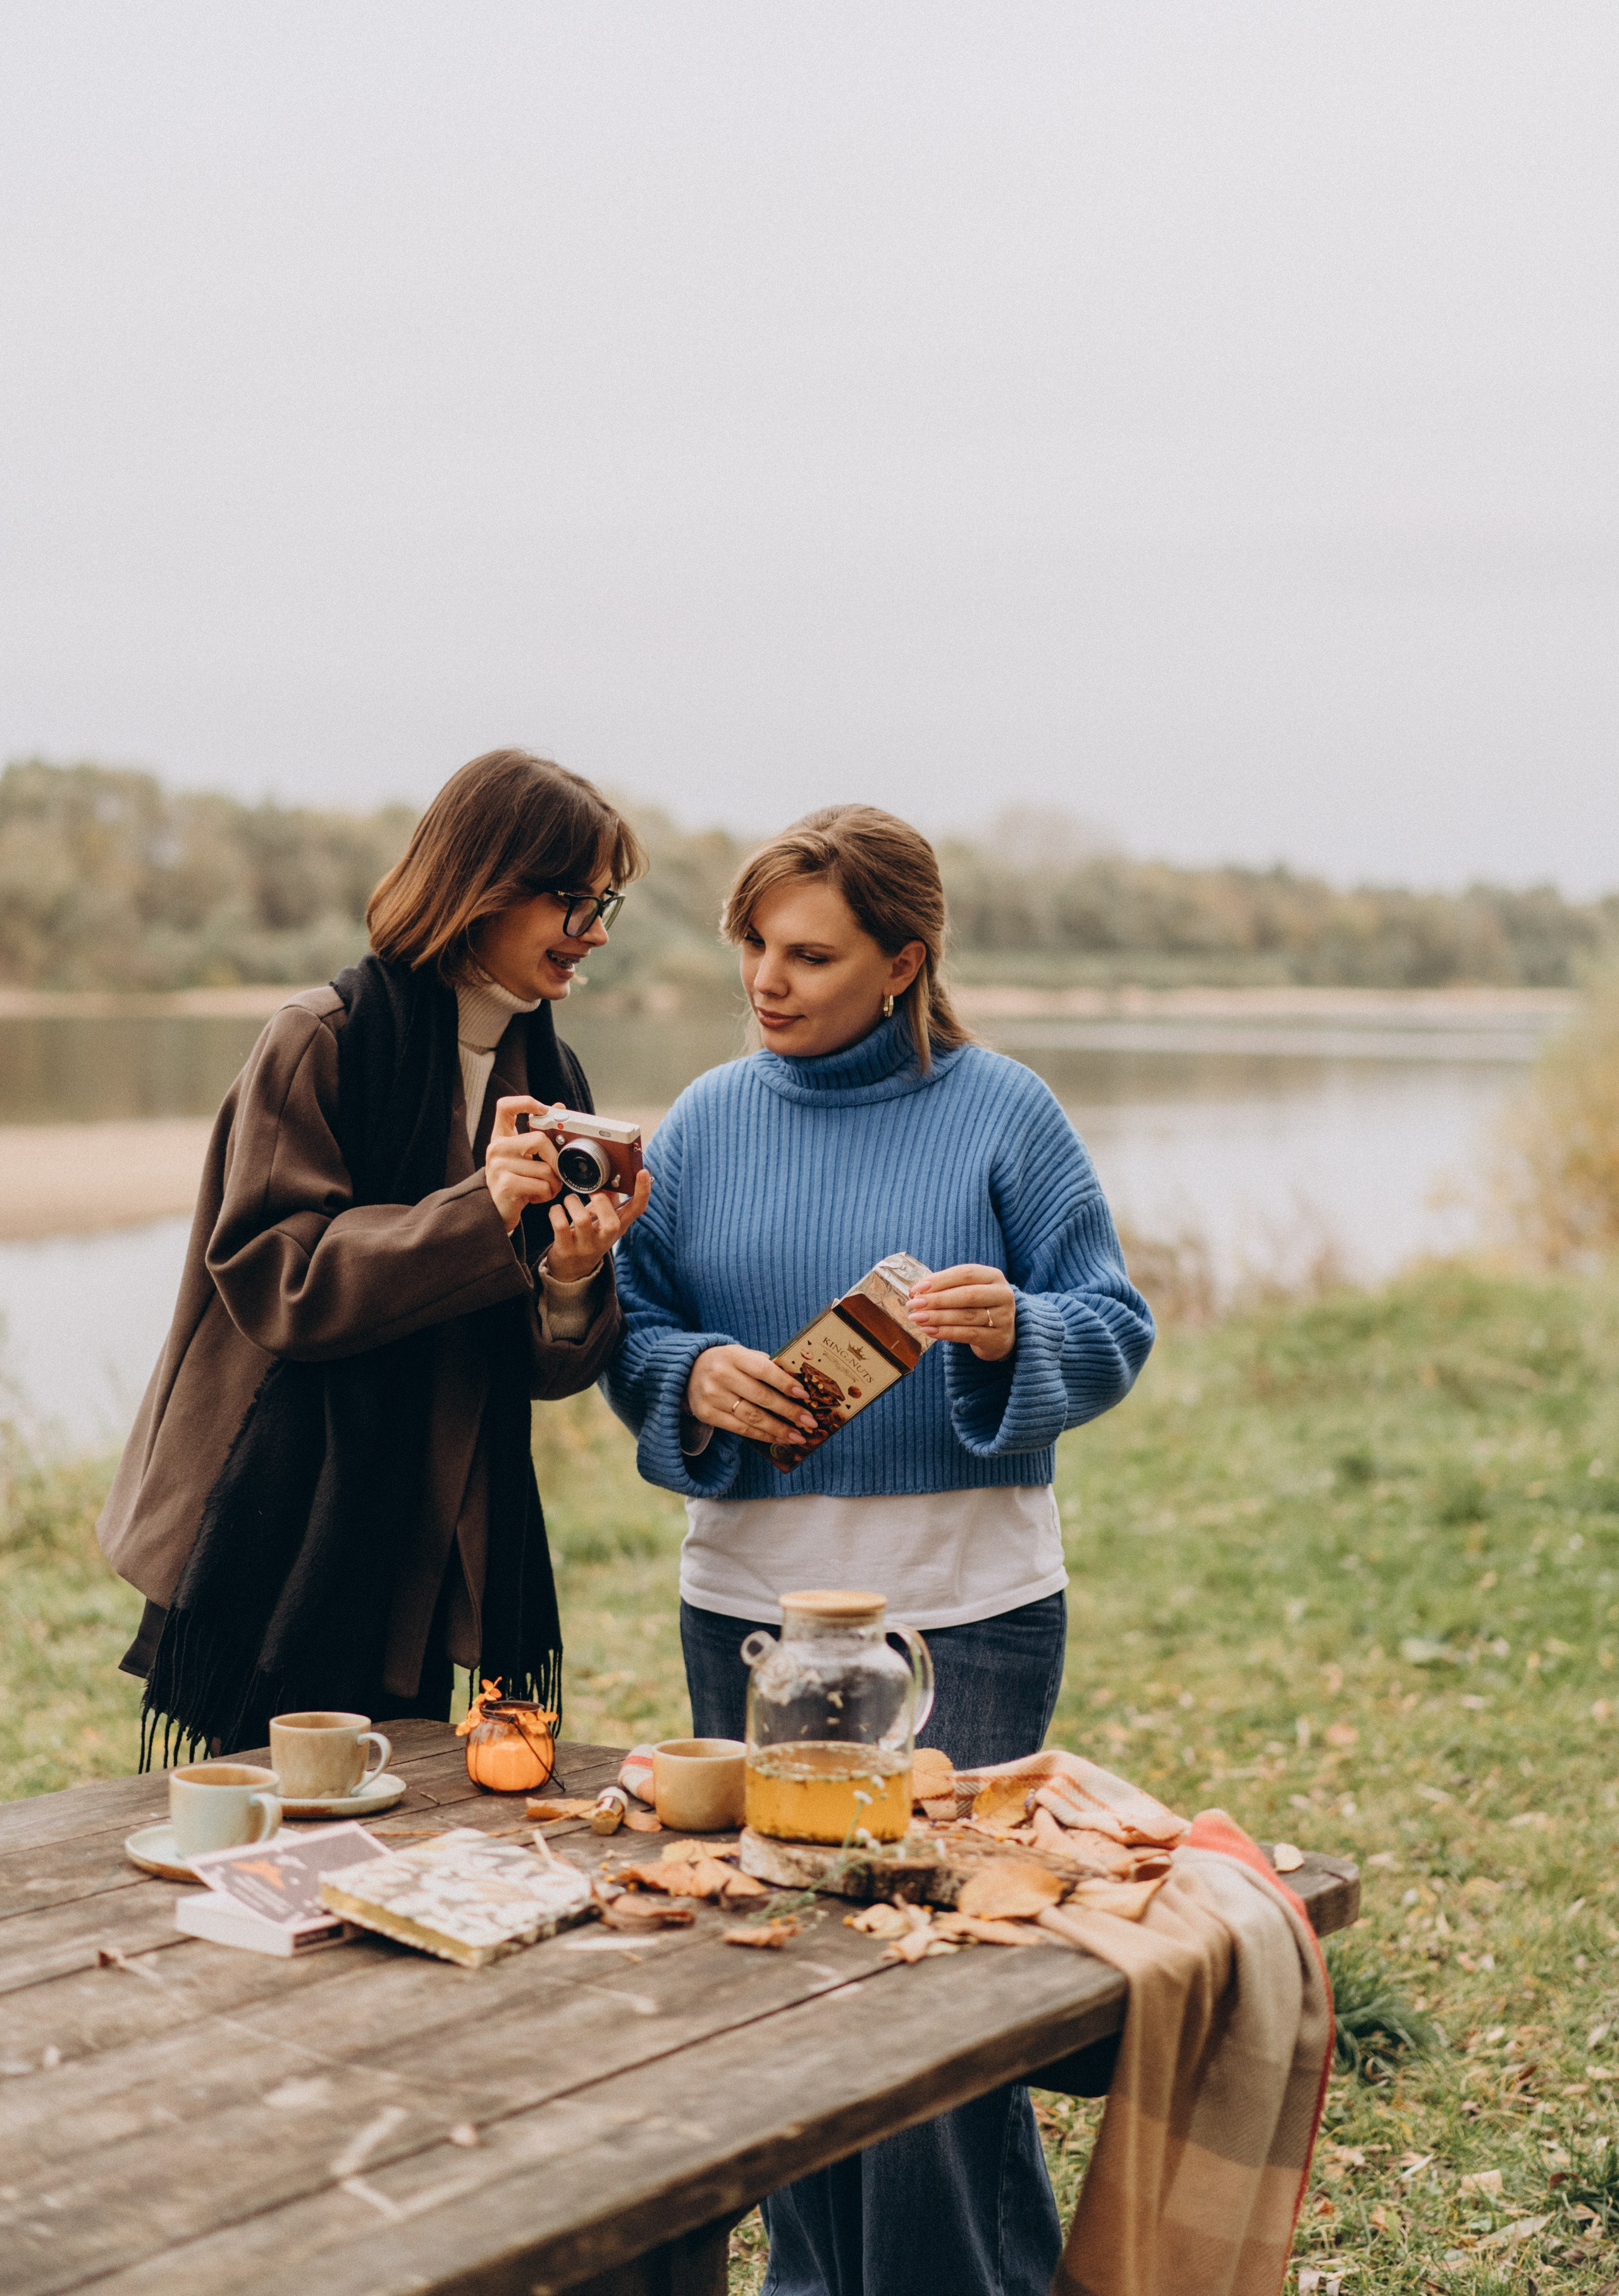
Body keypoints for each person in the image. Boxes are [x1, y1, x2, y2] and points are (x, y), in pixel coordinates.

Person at [603, 803, 1155, 2296]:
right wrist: (686, 1377)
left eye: (808, 955)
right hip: (749, 1615)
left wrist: (1015, 1331)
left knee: (935, 1988)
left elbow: (1111, 1326)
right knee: (785, 1971)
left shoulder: (1004, 1113)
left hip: (967, 1610)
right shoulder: (705, 1119)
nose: (763, 981)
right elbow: (630, 1328)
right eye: (752, 946)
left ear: (902, 963)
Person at [100, 747, 653, 1762]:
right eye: (575, 901)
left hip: (435, 1531)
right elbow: (282, 1283)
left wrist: (572, 1277)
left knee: (401, 1802)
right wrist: (482, 1210)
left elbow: (540, 1369)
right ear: (486, 886)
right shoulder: (321, 1038)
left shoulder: (550, 1074)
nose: (598, 933)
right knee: (264, 1805)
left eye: (604, 903)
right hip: (277, 1513)